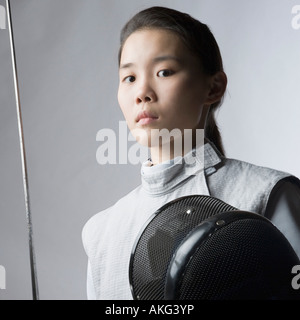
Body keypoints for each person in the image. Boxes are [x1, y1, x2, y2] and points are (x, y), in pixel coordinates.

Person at [82, 6, 300, 300]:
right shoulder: (101, 233)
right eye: (129, 78)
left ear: (213, 87)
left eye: (164, 72)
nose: (142, 92)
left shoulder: (267, 192)